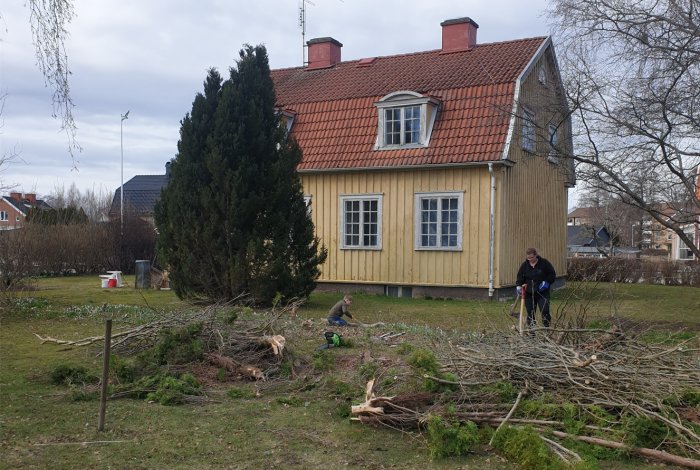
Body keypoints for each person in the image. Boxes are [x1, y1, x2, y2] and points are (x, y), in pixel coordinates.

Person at [516, 248, 556, 328]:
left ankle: (547, 330)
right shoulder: (524, 265)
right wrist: (519, 286)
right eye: (528, 258)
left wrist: (546, 282)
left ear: (536, 255)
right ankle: (532, 334)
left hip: (542, 293)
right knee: (530, 313)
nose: (530, 260)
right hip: (529, 294)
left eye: (532, 258)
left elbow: (552, 274)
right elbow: (520, 277)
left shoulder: (544, 263)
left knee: (545, 311)